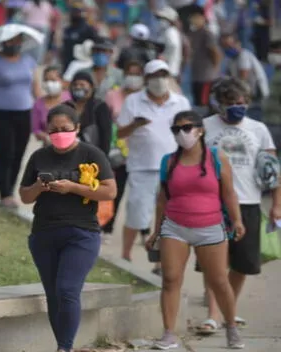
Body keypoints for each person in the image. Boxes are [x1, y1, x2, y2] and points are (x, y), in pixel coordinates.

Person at [19, 103, 117, 352]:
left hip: (81, 233)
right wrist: (39, 187)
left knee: (67, 290)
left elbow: (109, 191)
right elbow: (24, 196)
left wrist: (72, 187)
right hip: (44, 233)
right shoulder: (39, 157)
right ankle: (64, 347)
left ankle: (65, 347)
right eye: (54, 130)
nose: (59, 133)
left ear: (77, 128)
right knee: (53, 295)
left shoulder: (91, 154)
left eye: (65, 128)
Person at [145, 111, 245, 350]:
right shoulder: (168, 161)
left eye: (187, 127)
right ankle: (168, 333)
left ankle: (230, 326)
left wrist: (237, 220)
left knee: (219, 280)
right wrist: (155, 231)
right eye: (176, 129)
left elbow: (229, 193)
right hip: (175, 227)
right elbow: (162, 199)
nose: (182, 133)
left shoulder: (216, 158)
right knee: (170, 279)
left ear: (200, 129)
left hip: (211, 227)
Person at [200, 78, 280, 335]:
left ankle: (228, 310)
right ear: (218, 104)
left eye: (242, 103)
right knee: (215, 264)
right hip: (213, 204)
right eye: (230, 103)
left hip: (249, 202)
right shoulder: (205, 127)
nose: (237, 107)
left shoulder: (258, 129)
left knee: (242, 265)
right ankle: (212, 315)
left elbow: (273, 169)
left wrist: (277, 204)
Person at [116, 60, 191, 267]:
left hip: (174, 168)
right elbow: (120, 133)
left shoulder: (180, 103)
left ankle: (161, 261)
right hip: (142, 166)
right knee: (137, 213)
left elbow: (191, 133)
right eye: (155, 76)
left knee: (169, 216)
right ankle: (125, 256)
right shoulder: (133, 101)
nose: (159, 80)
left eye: (163, 75)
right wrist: (135, 125)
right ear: (146, 79)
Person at [0, 32, 42, 208]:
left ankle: (10, 190)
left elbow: (36, 88)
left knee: (18, 155)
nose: (14, 43)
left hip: (24, 113)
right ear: (3, 42)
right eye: (10, 40)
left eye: (17, 40)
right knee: (6, 153)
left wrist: (45, 112)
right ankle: (5, 194)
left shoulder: (28, 60)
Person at [101, 60, 144, 237]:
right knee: (114, 190)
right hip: (116, 152)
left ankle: (144, 229)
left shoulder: (145, 99)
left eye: (137, 74)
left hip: (139, 153)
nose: (132, 78)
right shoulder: (112, 95)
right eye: (130, 73)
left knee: (140, 194)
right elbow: (105, 122)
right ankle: (107, 227)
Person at [220, 32, 270, 121]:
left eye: (229, 45)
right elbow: (227, 77)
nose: (227, 48)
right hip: (245, 93)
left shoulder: (244, 55)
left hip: (256, 94)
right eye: (224, 46)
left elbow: (243, 78)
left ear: (237, 44)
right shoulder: (231, 59)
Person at [187, 5, 222, 112]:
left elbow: (216, 53)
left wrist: (214, 71)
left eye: (195, 17)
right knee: (198, 103)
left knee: (206, 105)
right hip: (196, 76)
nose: (192, 19)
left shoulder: (207, 34)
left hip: (206, 77)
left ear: (202, 17)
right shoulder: (193, 33)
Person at [69, 71, 113, 155]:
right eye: (75, 85)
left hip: (93, 156)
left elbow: (106, 137)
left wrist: (102, 159)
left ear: (91, 87)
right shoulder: (67, 106)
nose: (78, 87)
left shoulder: (100, 107)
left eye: (82, 85)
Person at [32, 66, 71, 146]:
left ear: (62, 81)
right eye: (46, 80)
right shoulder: (38, 104)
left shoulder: (70, 99)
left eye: (53, 80)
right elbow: (36, 130)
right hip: (49, 146)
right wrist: (47, 137)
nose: (49, 84)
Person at [61, 5, 97, 72]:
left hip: (82, 61)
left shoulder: (87, 29)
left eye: (76, 13)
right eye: (72, 13)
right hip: (67, 61)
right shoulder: (68, 29)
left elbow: (94, 43)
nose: (74, 15)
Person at [155, 7, 183, 80]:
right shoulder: (168, 31)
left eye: (162, 18)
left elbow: (173, 45)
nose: (160, 21)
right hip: (169, 69)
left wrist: (164, 56)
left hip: (169, 70)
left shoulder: (170, 31)